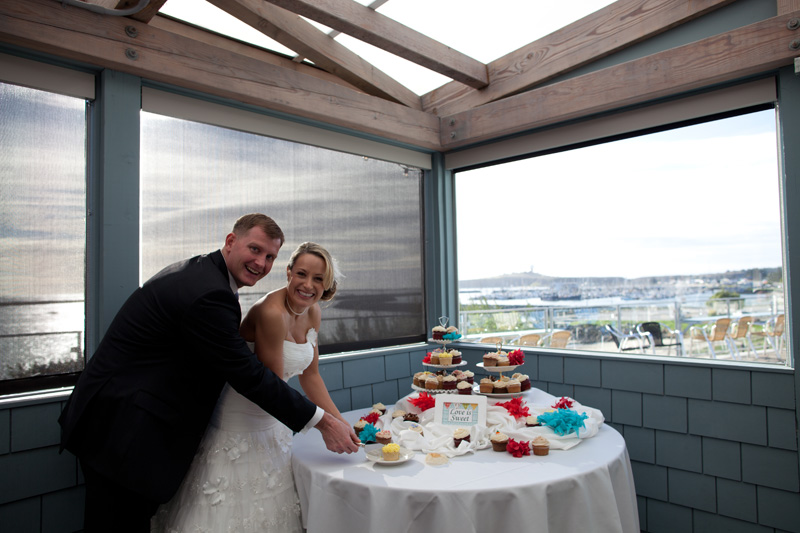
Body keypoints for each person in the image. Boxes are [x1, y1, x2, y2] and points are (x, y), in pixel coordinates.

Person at [58, 214, 359, 533]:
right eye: (254, 249)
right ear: (231, 242)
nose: (260, 263)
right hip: (121, 428)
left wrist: (335, 421)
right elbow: (250, 375)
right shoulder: (209, 293)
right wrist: (322, 422)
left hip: (129, 421)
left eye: (269, 256)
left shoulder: (208, 276)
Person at [152, 241, 350, 532]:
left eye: (318, 279)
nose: (308, 285)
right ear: (288, 272)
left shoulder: (313, 312)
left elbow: (311, 376)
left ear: (326, 284)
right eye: (301, 274)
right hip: (243, 418)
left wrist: (341, 423)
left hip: (276, 418)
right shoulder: (270, 312)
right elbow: (273, 386)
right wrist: (325, 425)